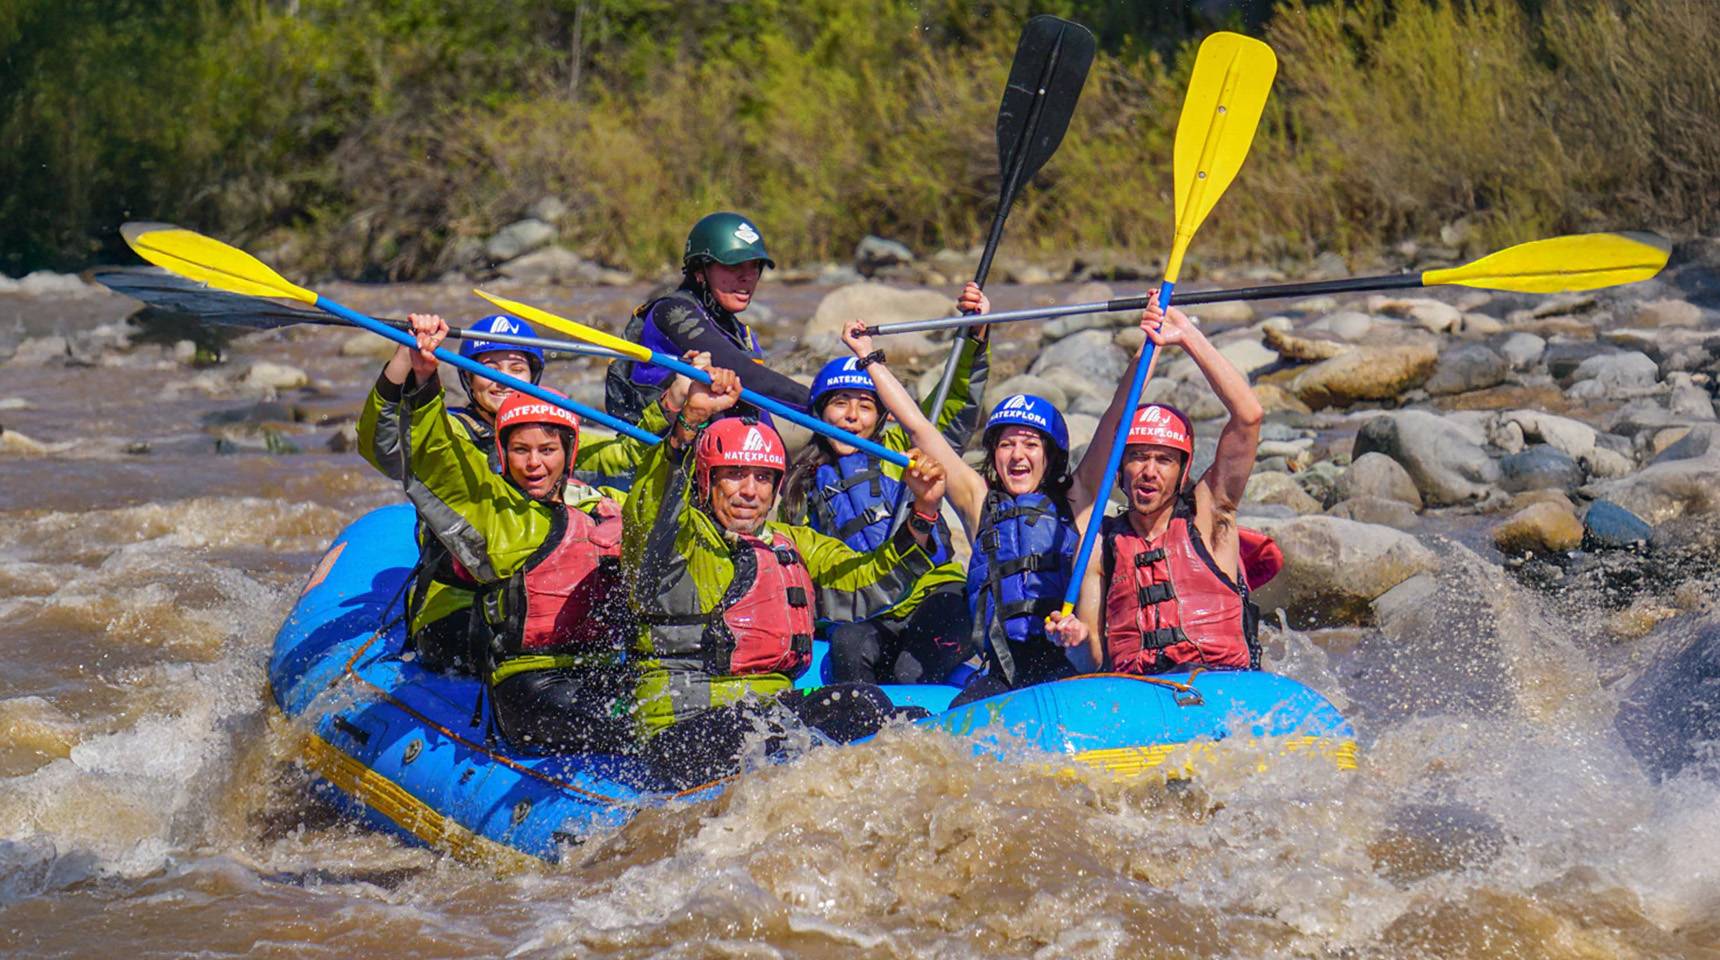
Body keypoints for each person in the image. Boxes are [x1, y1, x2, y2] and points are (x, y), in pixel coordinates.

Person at [622, 364, 951, 788]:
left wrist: (922, 512)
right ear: (706, 480)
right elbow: (652, 503)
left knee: (916, 721)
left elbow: (869, 581)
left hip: (763, 717)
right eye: (734, 474)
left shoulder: (790, 544)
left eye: (763, 478)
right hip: (683, 730)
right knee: (859, 704)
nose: (749, 491)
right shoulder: (676, 542)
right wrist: (688, 424)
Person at [837, 310, 1158, 707]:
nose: (1017, 455)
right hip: (1004, 674)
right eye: (1007, 444)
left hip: (1070, 667)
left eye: (1030, 444)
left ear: (1050, 455)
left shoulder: (1077, 497)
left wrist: (1151, 343)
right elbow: (919, 427)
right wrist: (868, 357)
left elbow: (1116, 418)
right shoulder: (978, 501)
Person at [360, 313, 644, 754]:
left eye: (517, 367)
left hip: (540, 602)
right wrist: (413, 363)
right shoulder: (448, 431)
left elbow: (625, 455)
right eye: (488, 367)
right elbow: (392, 447)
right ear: (468, 378)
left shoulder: (548, 427)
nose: (502, 378)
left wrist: (678, 410)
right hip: (462, 607)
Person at [777, 282, 992, 684]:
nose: (852, 417)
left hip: (933, 593)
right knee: (846, 648)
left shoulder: (902, 447)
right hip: (867, 607)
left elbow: (954, 405)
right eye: (840, 404)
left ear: (881, 417)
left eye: (865, 407)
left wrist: (975, 342)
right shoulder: (801, 483)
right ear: (820, 413)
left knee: (910, 670)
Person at [1055, 294, 1270, 675]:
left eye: (1164, 460)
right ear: (1119, 470)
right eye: (1137, 457)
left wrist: (1187, 335)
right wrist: (1074, 641)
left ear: (1183, 472)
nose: (1149, 471)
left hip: (1222, 682)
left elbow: (1248, 416)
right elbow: (1091, 661)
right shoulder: (1097, 546)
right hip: (1142, 691)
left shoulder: (1210, 515)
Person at [605, 212, 810, 423]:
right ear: (699, 270)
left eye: (755, 266)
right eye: (733, 266)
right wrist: (816, 401)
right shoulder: (672, 312)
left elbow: (760, 412)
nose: (747, 276)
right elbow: (743, 374)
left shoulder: (740, 333)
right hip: (665, 447)